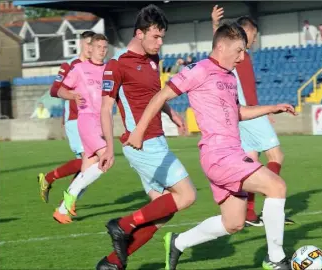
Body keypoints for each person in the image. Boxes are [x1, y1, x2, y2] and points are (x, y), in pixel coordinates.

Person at [125, 22, 295, 270]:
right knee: (276, 186)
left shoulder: (229, 77)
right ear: (222, 46)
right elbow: (161, 95)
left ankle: (177, 242)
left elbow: (236, 111)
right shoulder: (199, 70)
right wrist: (139, 131)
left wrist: (272, 107)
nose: (242, 57)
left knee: (233, 223)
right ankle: (276, 259)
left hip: (230, 154)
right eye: (238, 51)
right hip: (219, 155)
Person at [95, 5, 196, 270]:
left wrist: (171, 114)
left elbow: (155, 94)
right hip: (142, 144)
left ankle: (112, 264)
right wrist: (107, 148)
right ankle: (122, 225)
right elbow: (105, 108)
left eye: (162, 37)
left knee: (164, 211)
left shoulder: (153, 60)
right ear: (139, 33)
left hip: (156, 140)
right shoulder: (116, 66)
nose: (160, 42)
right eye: (156, 37)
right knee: (187, 196)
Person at [212, 5, 294, 227]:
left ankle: (249, 214)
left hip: (244, 115)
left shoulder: (240, 57)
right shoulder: (240, 55)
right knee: (276, 156)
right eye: (254, 35)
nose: (255, 40)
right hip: (246, 112)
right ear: (245, 32)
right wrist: (215, 25)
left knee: (251, 162)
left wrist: (263, 111)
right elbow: (220, 48)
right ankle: (271, 209)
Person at [52, 34, 109, 224]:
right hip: (86, 121)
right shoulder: (79, 69)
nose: (102, 50)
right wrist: (72, 96)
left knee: (87, 168)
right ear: (90, 48)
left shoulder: (109, 70)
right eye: (98, 46)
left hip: (102, 123)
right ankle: (70, 195)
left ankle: (61, 211)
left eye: (104, 47)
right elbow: (59, 90)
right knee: (106, 160)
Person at [37, 31, 95, 204]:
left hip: (92, 122)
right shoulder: (70, 65)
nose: (91, 48)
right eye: (88, 44)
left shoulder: (98, 67)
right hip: (75, 119)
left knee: (90, 165)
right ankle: (62, 196)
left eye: (94, 45)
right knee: (88, 160)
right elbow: (55, 90)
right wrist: (73, 96)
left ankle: (63, 197)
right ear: (81, 44)